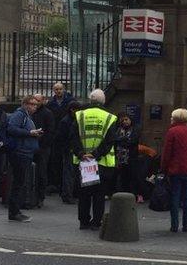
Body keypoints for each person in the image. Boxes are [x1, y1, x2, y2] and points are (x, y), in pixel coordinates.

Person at [70, 89, 119, 230]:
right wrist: (96, 154)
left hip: (83, 162)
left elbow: (73, 137)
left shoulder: (79, 115)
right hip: (102, 162)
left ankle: (84, 221)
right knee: (99, 194)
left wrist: (81, 153)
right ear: (103, 101)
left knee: (84, 194)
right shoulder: (110, 117)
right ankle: (96, 222)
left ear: (90, 100)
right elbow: (110, 141)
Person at [5, 96, 41, 222]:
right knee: (18, 183)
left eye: (36, 105)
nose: (35, 107)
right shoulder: (20, 115)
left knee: (20, 182)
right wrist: (30, 133)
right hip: (20, 153)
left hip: (25, 152)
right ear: (25, 104)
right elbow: (11, 129)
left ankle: (16, 211)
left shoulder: (27, 116)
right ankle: (14, 212)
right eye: (33, 104)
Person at [46, 82, 74, 194]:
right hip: (55, 135)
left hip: (67, 134)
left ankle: (63, 185)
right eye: (56, 89)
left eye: (60, 89)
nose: (58, 91)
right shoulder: (51, 103)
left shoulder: (70, 101)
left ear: (64, 89)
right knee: (55, 160)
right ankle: (55, 183)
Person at [55, 101, 84, 204]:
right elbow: (62, 137)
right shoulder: (67, 121)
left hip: (71, 149)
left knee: (71, 173)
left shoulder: (67, 120)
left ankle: (69, 194)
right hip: (70, 150)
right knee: (69, 173)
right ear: (72, 110)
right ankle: (67, 195)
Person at [30, 93, 55, 206]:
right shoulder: (31, 113)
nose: (36, 103)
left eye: (38, 101)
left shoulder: (47, 113)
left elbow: (50, 131)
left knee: (41, 172)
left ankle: (40, 197)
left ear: (43, 101)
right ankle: (31, 195)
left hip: (42, 148)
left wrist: (43, 145)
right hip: (31, 146)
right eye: (34, 101)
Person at [113, 111, 142, 199]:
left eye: (126, 119)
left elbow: (132, 141)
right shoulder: (118, 129)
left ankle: (133, 195)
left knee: (132, 177)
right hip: (120, 158)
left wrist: (122, 141)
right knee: (122, 177)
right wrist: (124, 140)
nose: (125, 122)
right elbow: (115, 140)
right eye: (123, 120)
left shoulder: (135, 129)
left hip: (131, 157)